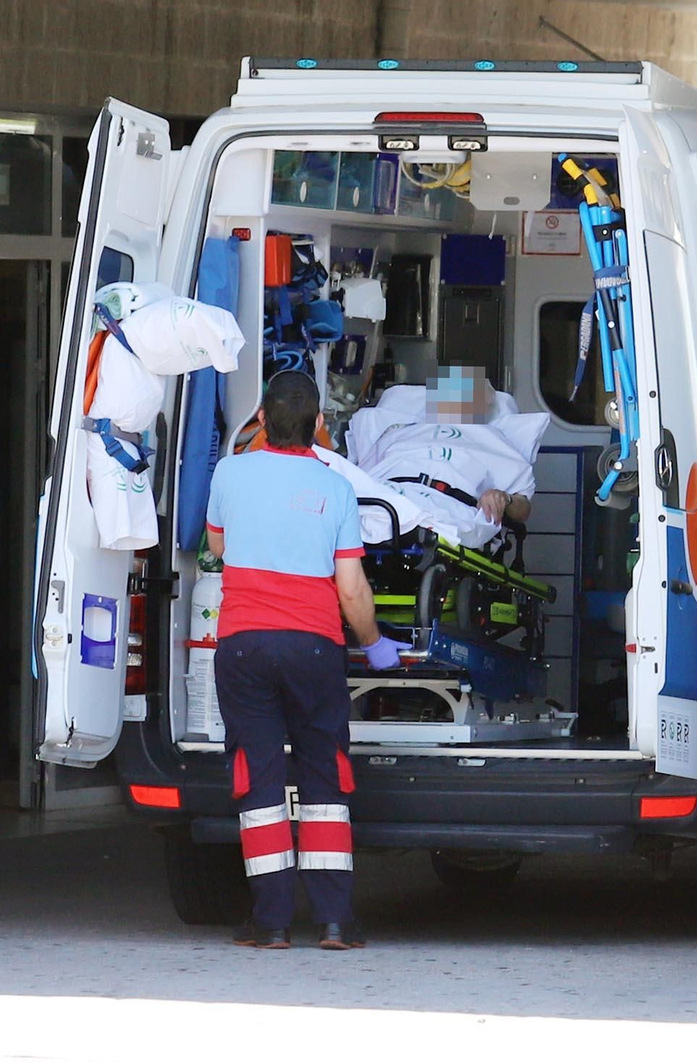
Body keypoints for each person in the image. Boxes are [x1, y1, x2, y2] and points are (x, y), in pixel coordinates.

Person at [205, 371, 410, 950]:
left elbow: (218, 546)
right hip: (315, 647)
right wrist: (372, 643)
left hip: (243, 646)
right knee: (325, 775)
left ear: (262, 420)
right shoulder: (336, 489)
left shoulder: (230, 472)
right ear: (320, 426)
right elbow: (351, 589)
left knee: (260, 777)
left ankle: (270, 924)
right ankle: (335, 921)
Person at [351, 366, 536, 535]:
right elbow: (364, 472)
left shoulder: (495, 442)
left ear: (484, 404)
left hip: (449, 507)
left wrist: (504, 499)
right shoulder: (402, 429)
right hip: (382, 495)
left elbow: (523, 508)